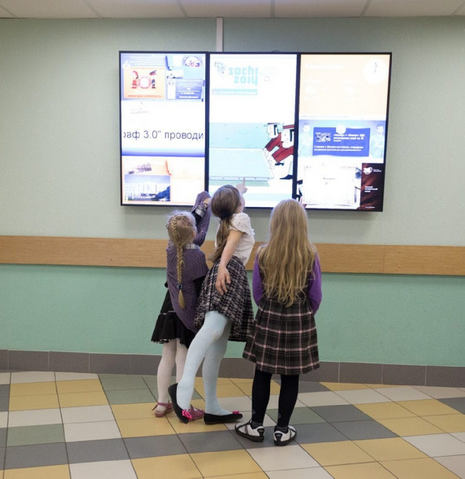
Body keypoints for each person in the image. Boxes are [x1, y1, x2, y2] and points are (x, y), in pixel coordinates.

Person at [236, 199, 322, 446]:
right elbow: (316, 295)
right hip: (299, 321)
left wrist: (270, 309)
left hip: (268, 319)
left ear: (275, 223)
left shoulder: (264, 253)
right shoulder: (310, 254)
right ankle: (282, 429)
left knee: (261, 374)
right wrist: (304, 314)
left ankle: (255, 425)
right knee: (290, 377)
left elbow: (258, 293)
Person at [169, 183, 255, 424]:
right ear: (238, 205)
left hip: (224, 271)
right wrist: (224, 267)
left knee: (217, 347)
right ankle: (185, 384)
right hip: (228, 273)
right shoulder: (241, 218)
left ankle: (212, 406)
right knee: (213, 330)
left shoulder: (226, 220)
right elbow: (231, 246)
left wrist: (238, 191)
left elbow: (228, 207)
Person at [151, 192, 211, 418]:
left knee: (167, 356)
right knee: (182, 358)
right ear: (193, 233)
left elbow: (191, 230)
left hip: (169, 306)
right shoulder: (197, 257)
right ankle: (183, 406)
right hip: (187, 310)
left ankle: (161, 403)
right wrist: (206, 207)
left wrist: (202, 206)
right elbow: (200, 234)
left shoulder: (170, 249)